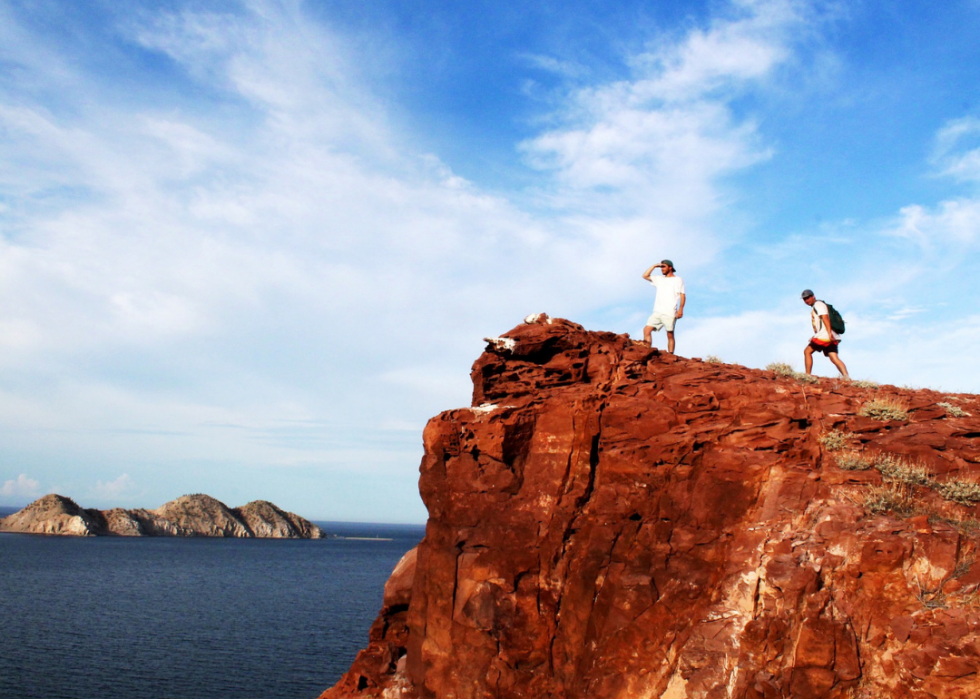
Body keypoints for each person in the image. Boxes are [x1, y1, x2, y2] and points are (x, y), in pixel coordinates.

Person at [801, 289, 850, 379]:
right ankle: (846, 377)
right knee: (833, 357)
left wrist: (828, 333)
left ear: (813, 296)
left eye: (808, 298)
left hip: (826, 335)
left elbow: (825, 317)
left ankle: (807, 375)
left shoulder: (818, 304)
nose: (806, 300)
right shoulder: (818, 305)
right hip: (830, 335)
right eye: (805, 299)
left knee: (807, 351)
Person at [641, 260, 685, 353]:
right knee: (646, 330)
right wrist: (654, 266)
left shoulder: (678, 279)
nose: (661, 269)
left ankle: (671, 355)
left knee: (670, 334)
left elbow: (682, 295)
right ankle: (647, 351)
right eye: (661, 267)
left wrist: (681, 309)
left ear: (670, 267)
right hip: (657, 311)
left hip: (670, 311)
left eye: (663, 266)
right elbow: (645, 276)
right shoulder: (659, 279)